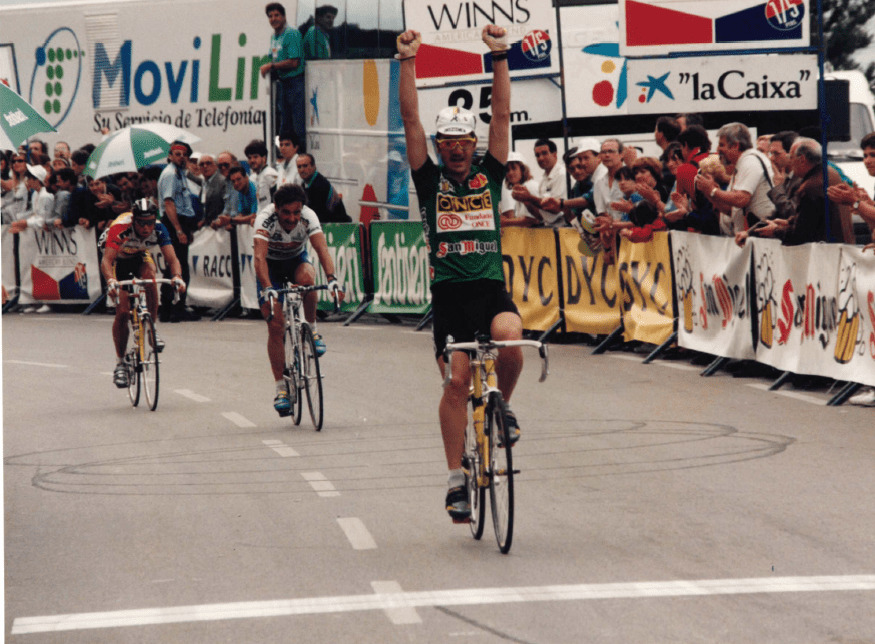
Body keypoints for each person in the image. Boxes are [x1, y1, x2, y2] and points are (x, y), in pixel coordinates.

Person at [398, 23, 524, 523]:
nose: (456, 148)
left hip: (490, 288)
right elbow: (410, 117)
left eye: (463, 140)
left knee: (511, 339)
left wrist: (498, 56)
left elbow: (504, 115)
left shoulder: (489, 174)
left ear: (473, 143)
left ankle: (503, 408)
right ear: (439, 144)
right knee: (457, 380)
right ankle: (456, 480)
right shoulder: (428, 180)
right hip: (450, 293)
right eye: (447, 141)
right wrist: (407, 61)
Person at [253, 184, 344, 415]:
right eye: (286, 213)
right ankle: (281, 388)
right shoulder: (265, 219)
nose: (292, 218)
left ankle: (312, 330)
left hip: (295, 260)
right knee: (275, 324)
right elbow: (259, 258)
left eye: (296, 212)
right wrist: (267, 288)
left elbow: (322, 249)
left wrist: (332, 279)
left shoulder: (308, 216)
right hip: (270, 267)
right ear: (276, 208)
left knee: (308, 277)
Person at [100, 198, 186, 388]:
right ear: (134, 220)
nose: (146, 228)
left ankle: (151, 329)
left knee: (150, 277)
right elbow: (106, 261)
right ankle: (120, 363)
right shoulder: (121, 227)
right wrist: (111, 281)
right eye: (141, 223)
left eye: (150, 223)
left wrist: (177, 276)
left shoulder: (159, 228)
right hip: (117, 259)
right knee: (122, 312)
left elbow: (172, 259)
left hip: (139, 255)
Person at [735, 137, 850, 247]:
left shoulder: (811, 186)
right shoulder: (829, 172)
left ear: (802, 160)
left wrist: (776, 230)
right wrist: (789, 222)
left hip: (824, 253)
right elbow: (810, 218)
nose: (789, 161)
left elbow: (801, 234)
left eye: (791, 157)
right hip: (837, 248)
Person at [695, 122, 775, 236]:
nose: (718, 149)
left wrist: (713, 191)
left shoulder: (750, 161)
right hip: (749, 237)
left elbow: (741, 199)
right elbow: (730, 210)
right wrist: (709, 192)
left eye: (721, 145)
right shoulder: (742, 163)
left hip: (759, 236)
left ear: (735, 146)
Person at [157, 140, 199, 322]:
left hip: (182, 221)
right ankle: (174, 307)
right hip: (175, 222)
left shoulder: (181, 174)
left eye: (184, 154)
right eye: (177, 154)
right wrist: (179, 230)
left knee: (176, 266)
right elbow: (169, 203)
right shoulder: (170, 174)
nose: (181, 157)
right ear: (170, 155)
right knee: (177, 267)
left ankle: (169, 308)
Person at [260, 2, 306, 145]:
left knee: (298, 125)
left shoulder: (292, 34)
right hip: (283, 83)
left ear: (284, 17)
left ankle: (302, 156)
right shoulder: (274, 37)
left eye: (277, 15)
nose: (273, 19)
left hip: (296, 82)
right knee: (285, 125)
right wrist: (271, 68)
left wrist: (271, 66)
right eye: (270, 16)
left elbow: (294, 62)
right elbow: (273, 57)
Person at [296, 153, 350, 223]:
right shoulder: (305, 183)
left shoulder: (320, 185)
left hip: (337, 227)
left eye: (305, 166)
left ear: (314, 166)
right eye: (299, 167)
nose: (302, 170)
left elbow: (317, 216)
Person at [499, 151, 539, 228]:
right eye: (507, 170)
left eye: (514, 168)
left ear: (523, 169)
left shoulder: (530, 186)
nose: (510, 173)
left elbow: (532, 220)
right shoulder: (519, 190)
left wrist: (505, 222)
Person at [244, 139, 279, 211]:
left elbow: (278, 201)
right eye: (249, 158)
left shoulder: (270, 174)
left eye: (255, 157)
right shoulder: (252, 178)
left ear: (264, 158)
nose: (252, 160)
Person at [197, 154, 228, 229]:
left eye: (208, 163)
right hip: (208, 226)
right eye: (202, 164)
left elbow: (228, 205)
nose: (205, 166)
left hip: (221, 227)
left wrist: (219, 220)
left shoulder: (223, 182)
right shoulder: (204, 183)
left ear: (216, 166)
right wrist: (204, 220)